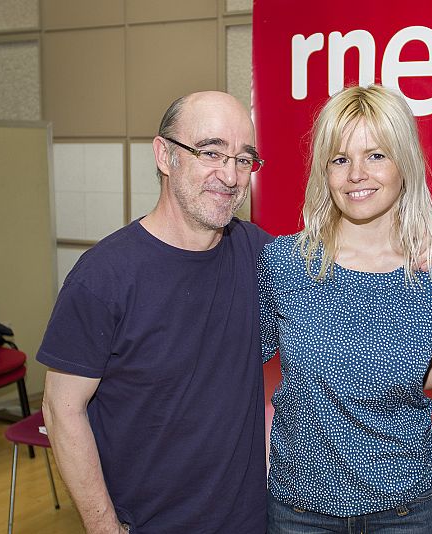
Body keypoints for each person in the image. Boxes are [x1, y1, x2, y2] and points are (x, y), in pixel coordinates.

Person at [38, 91, 272, 533]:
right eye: (211, 152)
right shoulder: (103, 276)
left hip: (250, 522)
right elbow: (61, 408)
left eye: (244, 159)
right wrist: (103, 527)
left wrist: (418, 245)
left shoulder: (259, 254)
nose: (230, 175)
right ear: (165, 155)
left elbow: (343, 279)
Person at [258, 84, 432, 533]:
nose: (356, 174)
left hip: (411, 511)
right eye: (340, 159)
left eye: (376, 155)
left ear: (405, 161)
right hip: (299, 511)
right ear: (323, 171)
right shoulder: (284, 263)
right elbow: (233, 363)